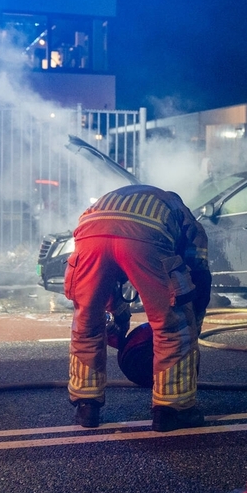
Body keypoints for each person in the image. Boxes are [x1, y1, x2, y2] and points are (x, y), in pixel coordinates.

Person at [63, 184, 211, 432]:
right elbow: (199, 272)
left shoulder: (112, 200)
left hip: (88, 237)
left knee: (87, 321)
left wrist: (119, 320)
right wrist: (194, 320)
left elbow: (109, 267)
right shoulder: (180, 212)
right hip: (145, 239)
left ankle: (86, 406)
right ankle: (172, 409)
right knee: (173, 326)